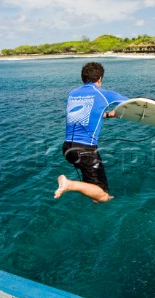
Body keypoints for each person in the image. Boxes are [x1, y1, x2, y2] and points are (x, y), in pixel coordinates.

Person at [54, 62, 129, 203]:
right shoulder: (104, 94)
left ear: (83, 78)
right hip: (85, 149)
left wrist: (108, 115)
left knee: (95, 193)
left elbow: (84, 114)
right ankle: (68, 184)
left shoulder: (72, 94)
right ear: (100, 78)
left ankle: (73, 185)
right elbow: (133, 103)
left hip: (67, 148)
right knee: (103, 197)